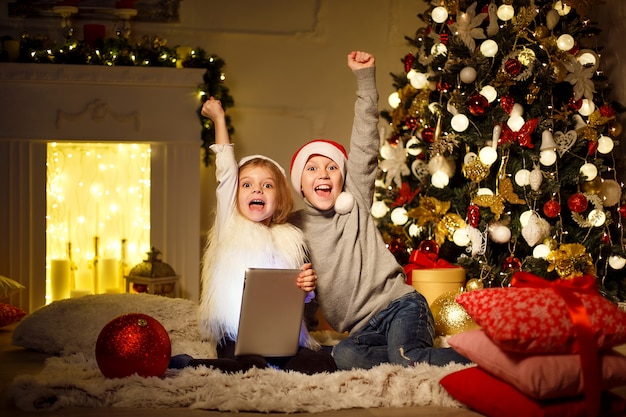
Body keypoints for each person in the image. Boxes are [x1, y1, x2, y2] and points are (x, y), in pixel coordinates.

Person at [288, 51, 471, 370]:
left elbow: (364, 144)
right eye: (312, 168)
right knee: (343, 356)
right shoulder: (294, 231)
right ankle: (399, 356)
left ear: (343, 179)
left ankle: (481, 359)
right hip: (363, 330)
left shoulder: (354, 200)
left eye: (332, 167)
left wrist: (365, 80)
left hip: (401, 306)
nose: (323, 174)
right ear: (300, 184)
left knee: (409, 357)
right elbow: (304, 292)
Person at [180, 96, 336, 375]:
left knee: (322, 363)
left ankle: (272, 361)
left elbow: (296, 297)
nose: (257, 191)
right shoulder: (230, 225)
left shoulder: (289, 239)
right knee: (248, 364)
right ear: (235, 195)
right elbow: (226, 171)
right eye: (248, 185)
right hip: (235, 332)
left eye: (267, 186)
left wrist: (307, 287)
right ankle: (196, 365)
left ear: (279, 198)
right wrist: (218, 119)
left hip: (279, 334)